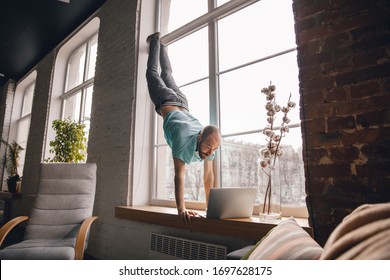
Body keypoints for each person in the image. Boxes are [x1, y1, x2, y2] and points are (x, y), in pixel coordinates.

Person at [146, 32, 221, 224]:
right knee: (153, 73)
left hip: (182, 102)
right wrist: (182, 209)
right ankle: (155, 41)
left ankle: (162, 47)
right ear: (199, 137)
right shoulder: (182, 142)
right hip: (167, 100)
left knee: (168, 74)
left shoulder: (210, 145)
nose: (210, 152)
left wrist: (209, 208)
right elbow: (179, 176)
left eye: (213, 149)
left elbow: (208, 177)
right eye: (207, 147)